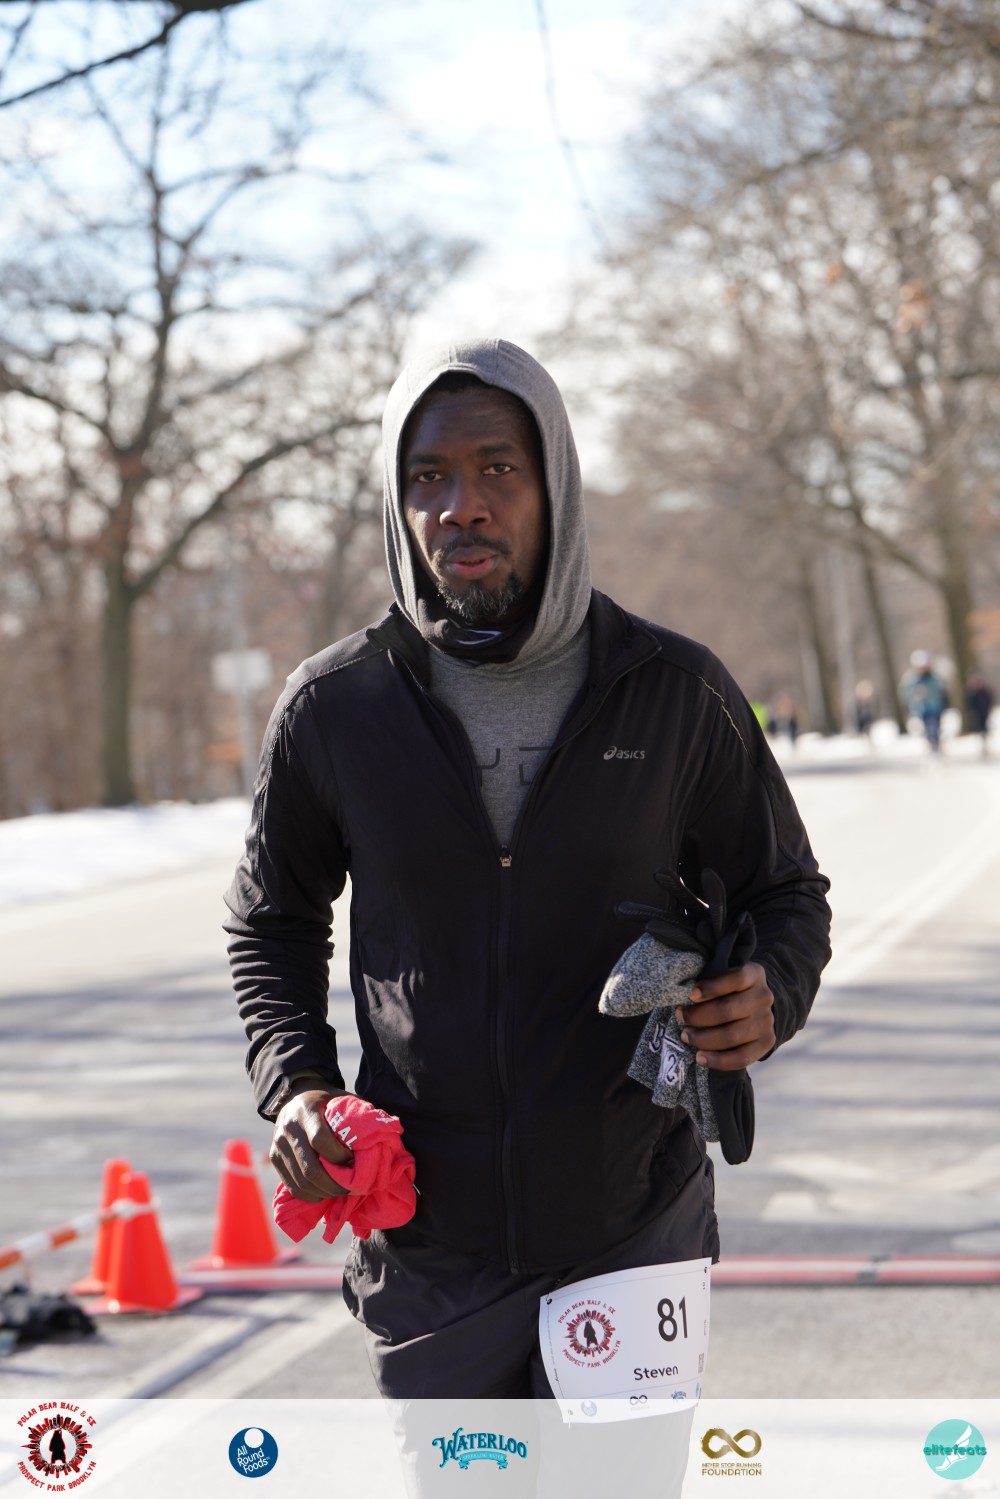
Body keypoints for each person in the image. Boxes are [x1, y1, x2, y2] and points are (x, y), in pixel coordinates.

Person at [224, 340, 832, 1438]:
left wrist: (771, 993)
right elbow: (272, 919)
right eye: (429, 476)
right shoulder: (333, 708)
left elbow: (784, 889)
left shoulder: (676, 690)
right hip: (428, 1245)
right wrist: (300, 1085)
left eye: (497, 469)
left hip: (632, 1225)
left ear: (555, 481)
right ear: (399, 498)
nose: (461, 505)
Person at [899, 650, 948, 752]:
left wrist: (945, 703)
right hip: (922, 708)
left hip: (936, 707)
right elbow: (906, 693)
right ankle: (932, 742)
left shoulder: (935, 678)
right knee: (929, 726)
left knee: (936, 726)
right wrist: (915, 694)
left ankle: (936, 742)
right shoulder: (912, 680)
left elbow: (942, 691)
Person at [966, 671, 993, 755]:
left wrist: (988, 708)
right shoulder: (972, 693)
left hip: (984, 712)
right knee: (980, 727)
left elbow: (989, 699)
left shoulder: (984, 691)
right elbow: (970, 703)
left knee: (984, 727)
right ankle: (982, 741)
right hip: (977, 713)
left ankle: (985, 741)